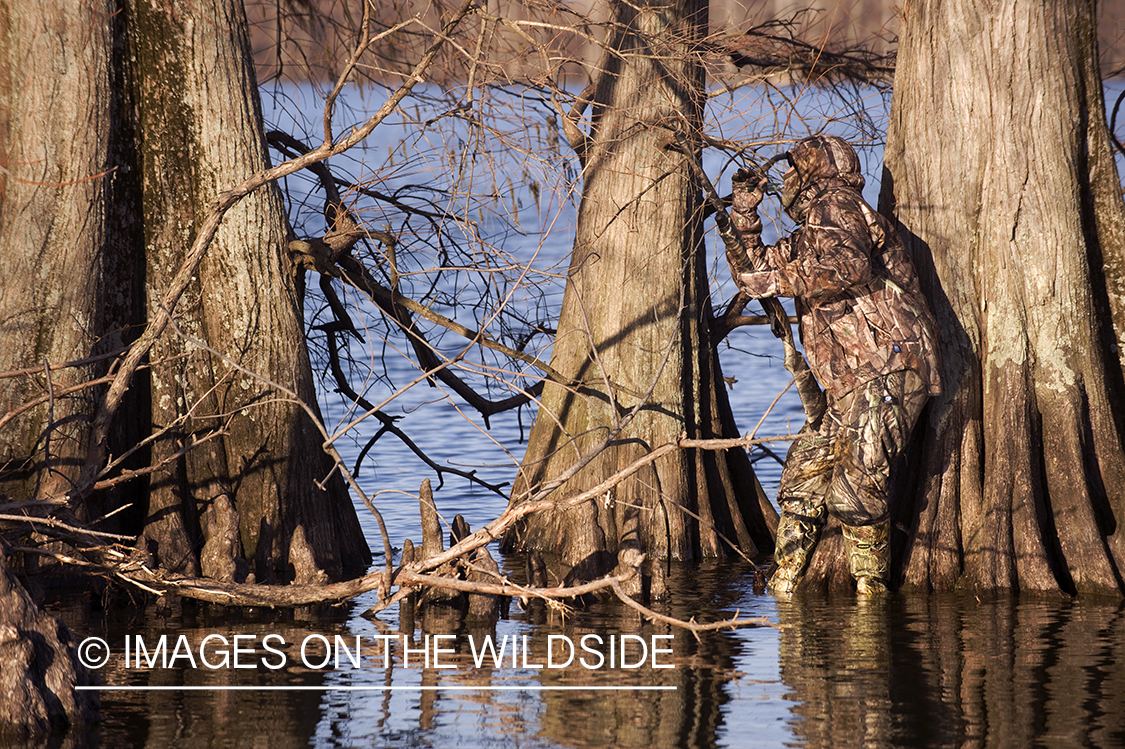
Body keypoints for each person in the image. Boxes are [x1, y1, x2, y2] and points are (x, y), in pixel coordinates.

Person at [726, 135, 941, 597]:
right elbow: (753, 272)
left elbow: (850, 268)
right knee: (802, 479)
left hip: (888, 365)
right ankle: (784, 589)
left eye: (791, 170)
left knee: (856, 487)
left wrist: (780, 282)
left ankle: (871, 599)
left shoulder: (836, 204)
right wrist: (744, 217)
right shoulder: (810, 230)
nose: (784, 179)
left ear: (810, 172)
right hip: (847, 383)